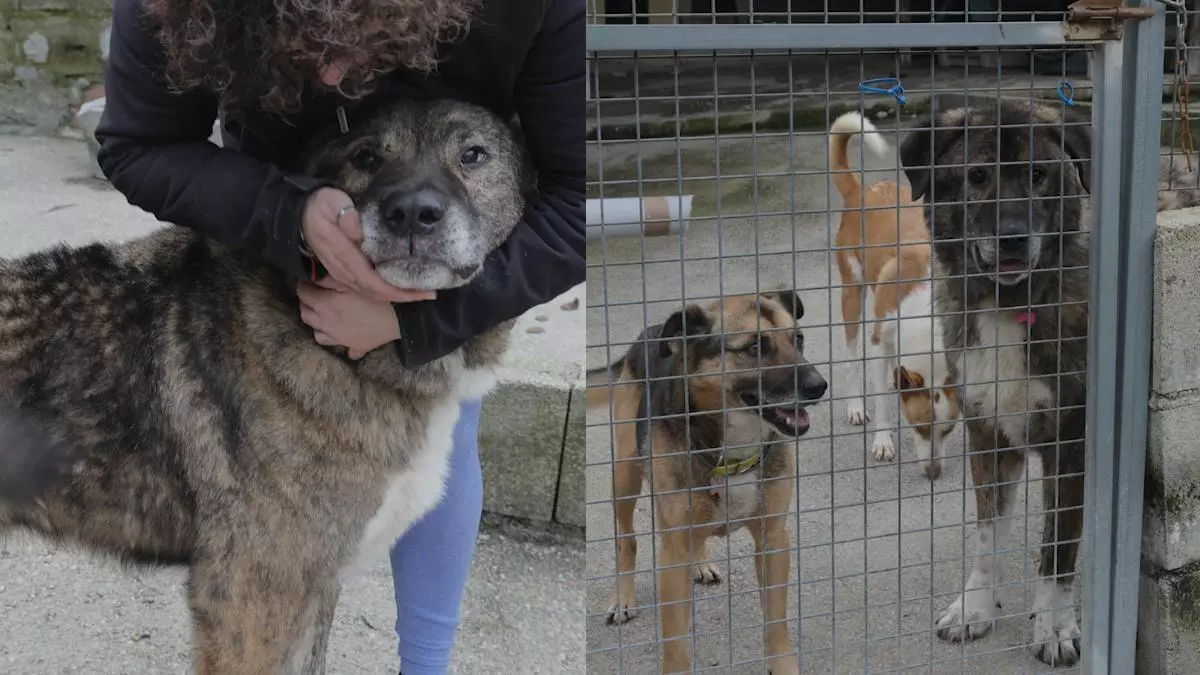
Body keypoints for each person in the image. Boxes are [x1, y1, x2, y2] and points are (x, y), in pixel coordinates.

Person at [94, 0, 584, 673]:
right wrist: (285, 215)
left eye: (349, 39)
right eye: (291, 43)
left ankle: (427, 664)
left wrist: (420, 321)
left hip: (464, 179)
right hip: (287, 185)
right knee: (295, 472)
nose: (329, 77)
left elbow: (580, 193)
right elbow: (138, 144)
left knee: (450, 411)